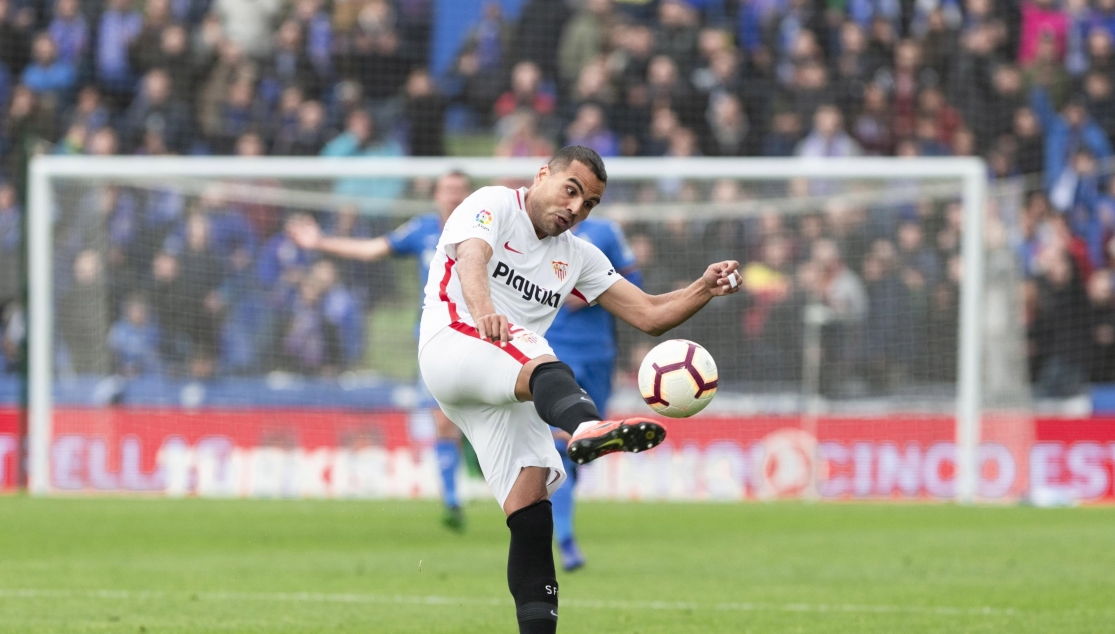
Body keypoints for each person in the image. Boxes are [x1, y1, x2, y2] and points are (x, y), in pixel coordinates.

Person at [416, 145, 739, 633]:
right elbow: (472, 258)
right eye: (570, 190)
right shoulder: (493, 204)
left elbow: (649, 314)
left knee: (531, 509)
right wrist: (484, 309)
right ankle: (587, 426)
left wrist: (702, 288)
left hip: (504, 378)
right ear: (543, 174)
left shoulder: (578, 255)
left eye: (588, 204)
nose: (574, 208)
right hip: (454, 343)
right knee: (539, 352)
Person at [286, 171, 472, 530]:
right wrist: (320, 242)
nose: (453, 196)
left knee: (486, 415)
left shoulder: (485, 230)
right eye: (447, 190)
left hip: (479, 336)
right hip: (436, 342)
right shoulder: (422, 231)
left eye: (459, 190)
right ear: (435, 195)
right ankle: (452, 500)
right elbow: (372, 249)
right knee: (443, 421)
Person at [544, 216, 642, 572]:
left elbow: (634, 282)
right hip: (553, 350)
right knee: (560, 442)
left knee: (579, 448)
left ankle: (563, 501)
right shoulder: (535, 232)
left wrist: (589, 293)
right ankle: (567, 541)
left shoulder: (606, 232)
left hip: (600, 352)